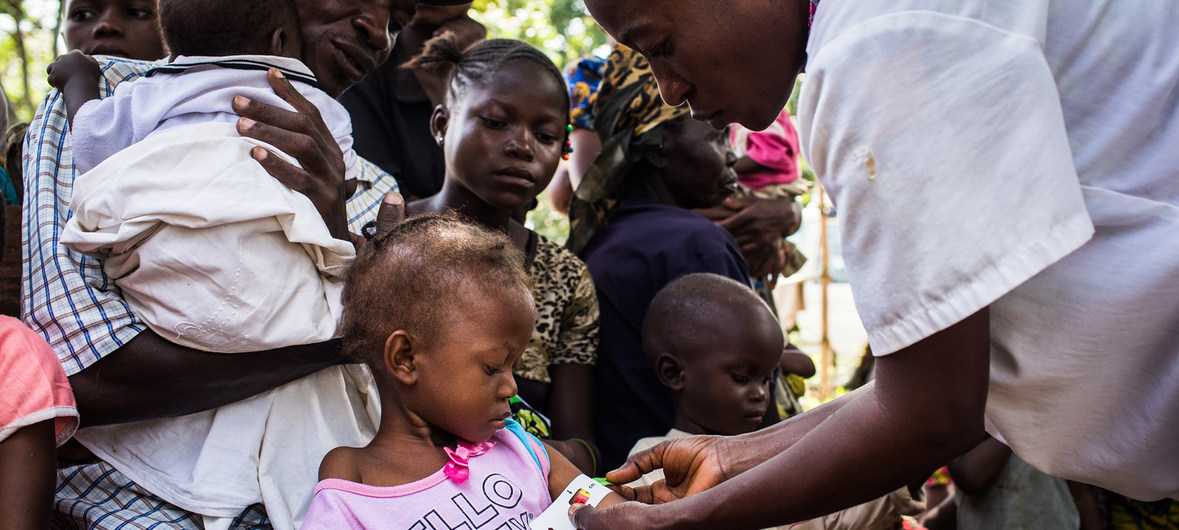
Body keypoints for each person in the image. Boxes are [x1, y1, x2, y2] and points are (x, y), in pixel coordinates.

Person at [570, 0, 1179, 528]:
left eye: (662, 45)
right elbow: (935, 386)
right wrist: (730, 458)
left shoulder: (875, 46)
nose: (668, 88)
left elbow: (932, 414)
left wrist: (690, 518)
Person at [21, 0, 464, 527]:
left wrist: (333, 227)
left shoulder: (373, 188)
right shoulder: (107, 98)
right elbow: (82, 375)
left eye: (397, 20)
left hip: (324, 501)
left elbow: (403, 387)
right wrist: (359, 323)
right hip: (142, 497)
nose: (378, 31)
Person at [302, 213, 624, 527]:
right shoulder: (356, 475)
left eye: (515, 367)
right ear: (406, 359)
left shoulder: (520, 448)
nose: (512, 388)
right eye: (492, 368)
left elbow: (619, 518)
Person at [403, 36, 602, 474]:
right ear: (441, 124)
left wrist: (511, 456)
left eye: (547, 136)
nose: (523, 146)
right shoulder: (388, 239)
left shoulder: (566, 279)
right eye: (495, 122)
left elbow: (584, 448)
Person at [568, 46, 754, 469]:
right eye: (716, 135)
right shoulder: (697, 245)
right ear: (657, 149)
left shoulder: (605, 241)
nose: (733, 155)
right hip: (698, 479)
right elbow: (747, 400)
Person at [629, 273, 925, 530]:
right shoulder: (650, 469)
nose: (760, 393)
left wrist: (912, 463)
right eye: (742, 378)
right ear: (674, 374)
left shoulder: (783, 456)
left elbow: (837, 518)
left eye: (767, 378)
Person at [339, 2, 484, 201]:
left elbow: (510, 204)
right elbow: (380, 197)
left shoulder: (494, 69)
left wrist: (463, 78)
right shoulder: (363, 58)